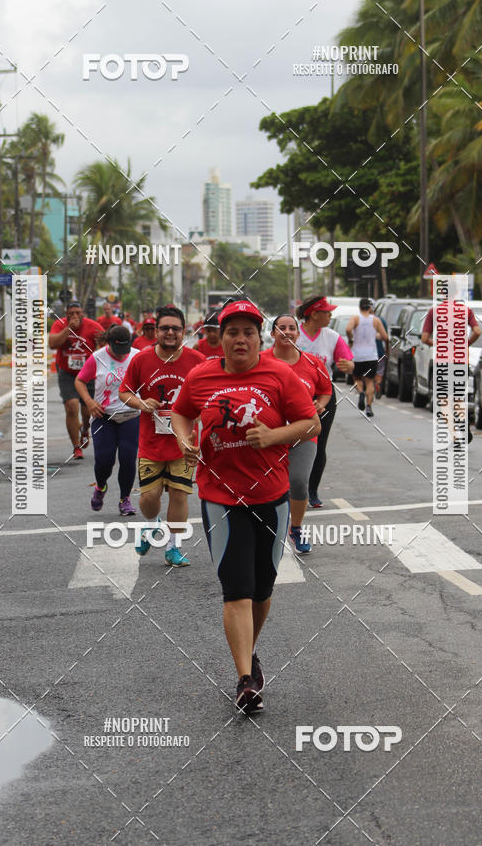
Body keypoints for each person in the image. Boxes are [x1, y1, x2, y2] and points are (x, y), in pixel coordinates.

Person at [171, 300, 320, 714]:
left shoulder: (280, 374)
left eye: (248, 332)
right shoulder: (201, 376)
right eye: (232, 331)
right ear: (221, 337)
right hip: (220, 497)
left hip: (272, 496)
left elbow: (311, 423)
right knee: (236, 589)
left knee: (261, 589)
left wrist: (274, 436)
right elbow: (182, 414)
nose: (240, 339)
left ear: (260, 337)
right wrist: (184, 440)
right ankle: (244, 679)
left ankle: (249, 652)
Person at [118, 305, 205, 566]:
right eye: (165, 328)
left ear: (184, 332)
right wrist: (142, 403)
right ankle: (151, 524)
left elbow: (209, 395)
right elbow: (124, 393)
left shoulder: (196, 361)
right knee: (149, 498)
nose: (170, 333)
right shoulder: (141, 360)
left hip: (184, 443)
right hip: (151, 443)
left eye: (176, 329)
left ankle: (173, 548)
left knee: (179, 494)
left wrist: (201, 415)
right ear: (156, 331)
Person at [265, 315, 331, 554]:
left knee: (299, 482)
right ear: (272, 334)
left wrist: (321, 404)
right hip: (268, 435)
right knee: (266, 486)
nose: (287, 332)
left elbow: (325, 390)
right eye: (281, 328)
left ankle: (296, 527)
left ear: (298, 334)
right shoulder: (259, 361)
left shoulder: (313, 364)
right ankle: (266, 528)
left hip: (303, 434)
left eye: (292, 328)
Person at [74, 325, 141, 515]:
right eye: (117, 351)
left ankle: (125, 499)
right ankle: (101, 486)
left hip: (130, 414)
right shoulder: (97, 358)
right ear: (108, 344)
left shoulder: (137, 356)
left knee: (128, 459)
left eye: (124, 351)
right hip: (103, 416)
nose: (121, 356)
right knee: (105, 460)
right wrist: (89, 402)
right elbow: (79, 381)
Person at [295, 295, 354, 508]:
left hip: (324, 397)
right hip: (293, 397)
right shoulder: (295, 334)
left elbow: (347, 360)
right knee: (291, 443)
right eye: (326, 312)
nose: (330, 316)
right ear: (314, 314)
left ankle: (312, 490)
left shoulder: (332, 336)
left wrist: (348, 366)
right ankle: (288, 489)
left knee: (319, 444)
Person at [421, 297, 481, 444]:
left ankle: (455, 436)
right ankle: (462, 421)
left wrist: (437, 344)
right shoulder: (466, 311)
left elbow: (424, 338)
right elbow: (477, 331)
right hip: (460, 362)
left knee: (444, 400)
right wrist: (465, 344)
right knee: (458, 397)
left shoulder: (434, 312)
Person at [48, 301, 103, 459]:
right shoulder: (60, 325)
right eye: (71, 313)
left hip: (87, 373)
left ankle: (85, 430)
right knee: (71, 407)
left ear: (83, 313)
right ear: (66, 314)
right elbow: (52, 343)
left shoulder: (92, 326)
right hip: (67, 372)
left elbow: (105, 342)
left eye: (78, 313)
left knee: (87, 412)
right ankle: (76, 447)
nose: (75, 316)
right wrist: (68, 330)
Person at [346, 298, 389, 418]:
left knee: (357, 379)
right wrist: (384, 347)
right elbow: (385, 336)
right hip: (371, 355)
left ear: (359, 307)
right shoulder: (376, 320)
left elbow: (348, 329)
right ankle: (369, 407)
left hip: (357, 355)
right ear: (370, 308)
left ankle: (360, 393)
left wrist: (351, 339)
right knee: (370, 381)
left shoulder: (355, 318)